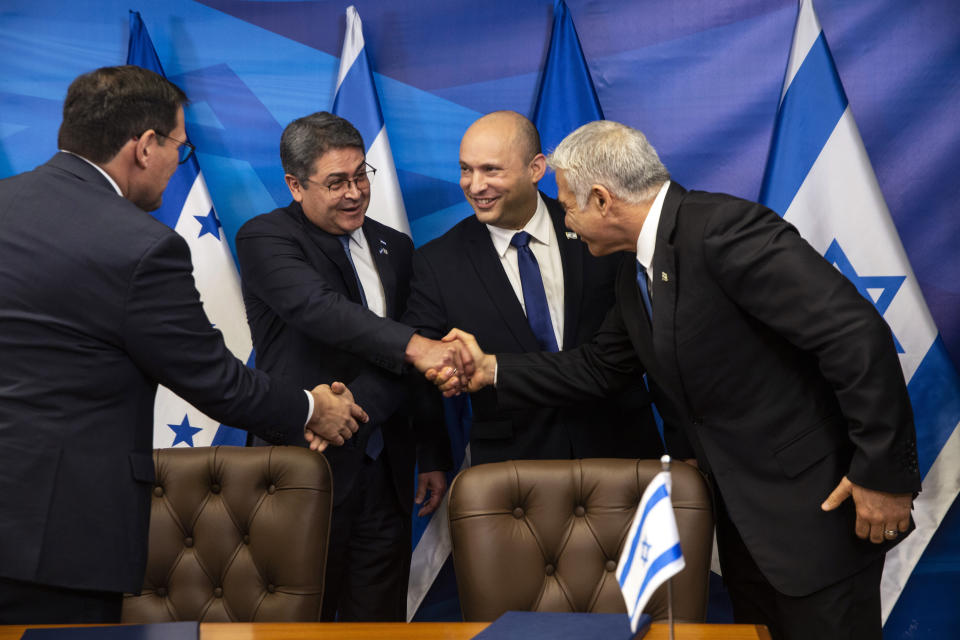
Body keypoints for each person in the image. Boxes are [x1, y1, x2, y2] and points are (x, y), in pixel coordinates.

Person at [434, 120, 922, 640]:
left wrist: (882, 473)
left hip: (815, 512)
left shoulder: (723, 230)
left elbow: (856, 333)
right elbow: (602, 365)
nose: (567, 222)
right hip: (749, 524)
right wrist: (490, 369)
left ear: (602, 199)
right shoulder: (634, 269)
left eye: (569, 206)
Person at [0, 66, 367, 624]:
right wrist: (315, 407)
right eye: (180, 146)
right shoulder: (139, 246)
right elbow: (215, 380)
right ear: (145, 146)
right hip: (57, 542)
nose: (178, 162)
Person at [235, 112, 454, 622]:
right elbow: (320, 311)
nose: (355, 192)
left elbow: (401, 360)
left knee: (378, 623)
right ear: (295, 185)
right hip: (301, 466)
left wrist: (432, 450)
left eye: (361, 175)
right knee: (292, 623)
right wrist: (419, 346)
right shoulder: (265, 238)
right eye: (336, 183)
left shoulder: (394, 246)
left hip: (386, 472)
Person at [402, 111, 668, 465]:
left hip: (621, 450)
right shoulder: (437, 262)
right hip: (514, 468)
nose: (475, 185)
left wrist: (683, 443)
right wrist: (445, 377)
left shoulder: (603, 229)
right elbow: (423, 359)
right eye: (466, 169)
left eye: (490, 170)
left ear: (536, 168)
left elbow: (657, 341)